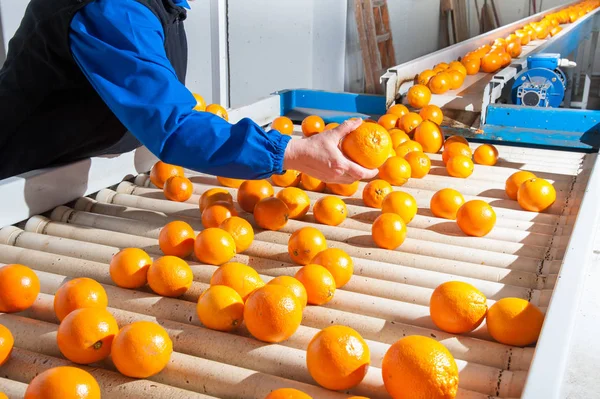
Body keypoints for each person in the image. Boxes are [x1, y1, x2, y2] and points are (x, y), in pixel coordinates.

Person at [0, 0, 377, 184]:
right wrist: (292, 151)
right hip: (19, 182)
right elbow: (173, 125)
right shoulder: (112, 9)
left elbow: (153, 86)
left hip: (77, 171)